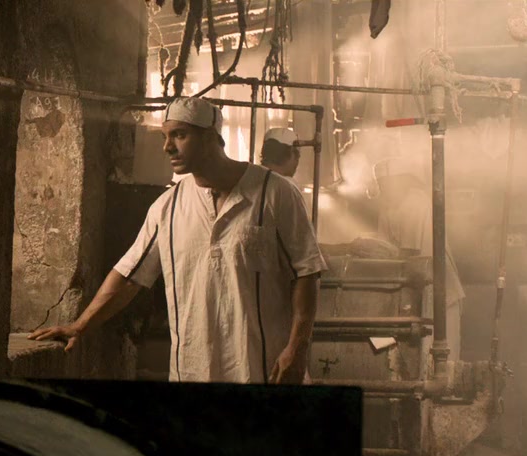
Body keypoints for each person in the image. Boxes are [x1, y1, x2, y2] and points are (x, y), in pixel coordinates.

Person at [30, 97, 326, 384]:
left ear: (211, 138)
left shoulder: (275, 193)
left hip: (265, 370)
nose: (167, 146)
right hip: (194, 371)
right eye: (165, 136)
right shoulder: (167, 207)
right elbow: (130, 276)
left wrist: (297, 349)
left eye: (180, 135)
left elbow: (307, 272)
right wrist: (80, 326)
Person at [372, 157, 464, 359]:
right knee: (412, 356)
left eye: (387, 184)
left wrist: (380, 255)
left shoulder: (417, 203)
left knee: (441, 357)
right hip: (415, 291)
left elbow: (411, 254)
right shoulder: (386, 207)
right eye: (380, 184)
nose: (383, 189)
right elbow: (384, 250)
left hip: (441, 293)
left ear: (402, 181)